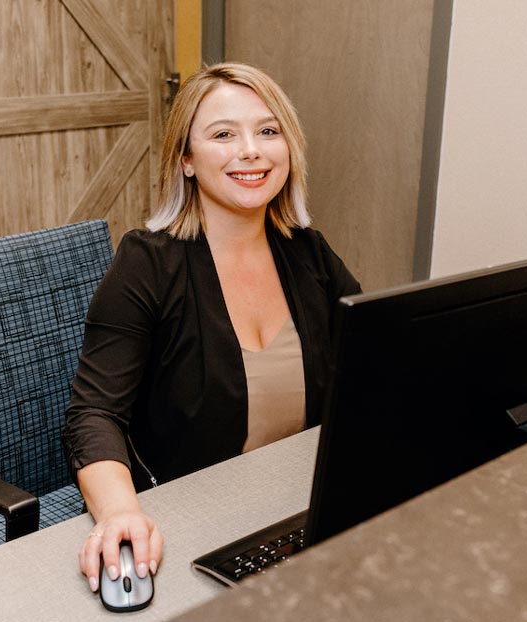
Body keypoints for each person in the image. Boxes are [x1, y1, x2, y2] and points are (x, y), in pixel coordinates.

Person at [62, 62, 361, 593]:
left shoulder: (309, 253)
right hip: (195, 520)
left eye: (268, 131)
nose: (251, 150)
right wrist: (119, 514)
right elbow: (94, 412)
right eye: (223, 134)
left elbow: (376, 359)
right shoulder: (147, 264)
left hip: (296, 506)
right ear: (186, 161)